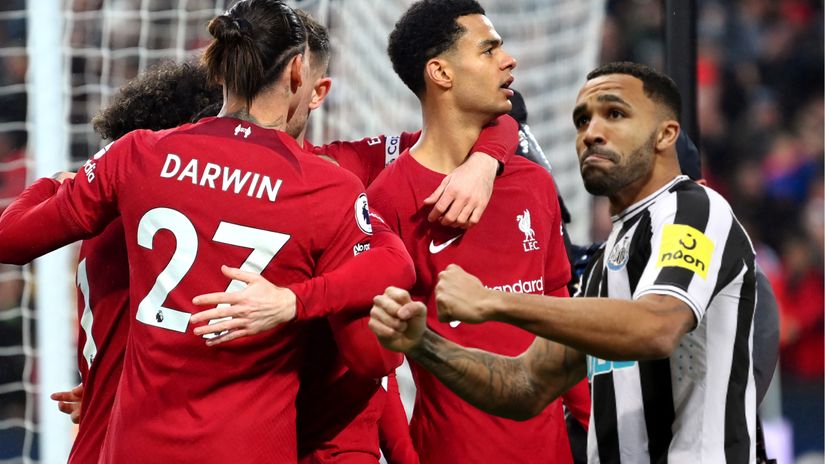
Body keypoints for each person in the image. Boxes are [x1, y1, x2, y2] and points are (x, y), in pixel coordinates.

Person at [0, 1, 377, 461]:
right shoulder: (328, 187)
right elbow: (371, 350)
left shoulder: (137, 154)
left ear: (217, 63)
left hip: (136, 445)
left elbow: (11, 240)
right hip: (245, 447)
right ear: (299, 71)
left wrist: (53, 182)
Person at [370, 62, 759, 463]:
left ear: (665, 134)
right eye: (581, 121)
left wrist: (493, 302)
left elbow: (658, 327)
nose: (591, 133)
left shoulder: (693, 209)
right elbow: (525, 385)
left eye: (615, 114)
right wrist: (421, 343)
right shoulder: (601, 269)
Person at [366, 1, 574, 462]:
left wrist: (592, 428)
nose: (508, 59)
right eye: (488, 50)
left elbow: (561, 313)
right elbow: (376, 363)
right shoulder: (389, 199)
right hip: (451, 451)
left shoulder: (535, 182)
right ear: (441, 72)